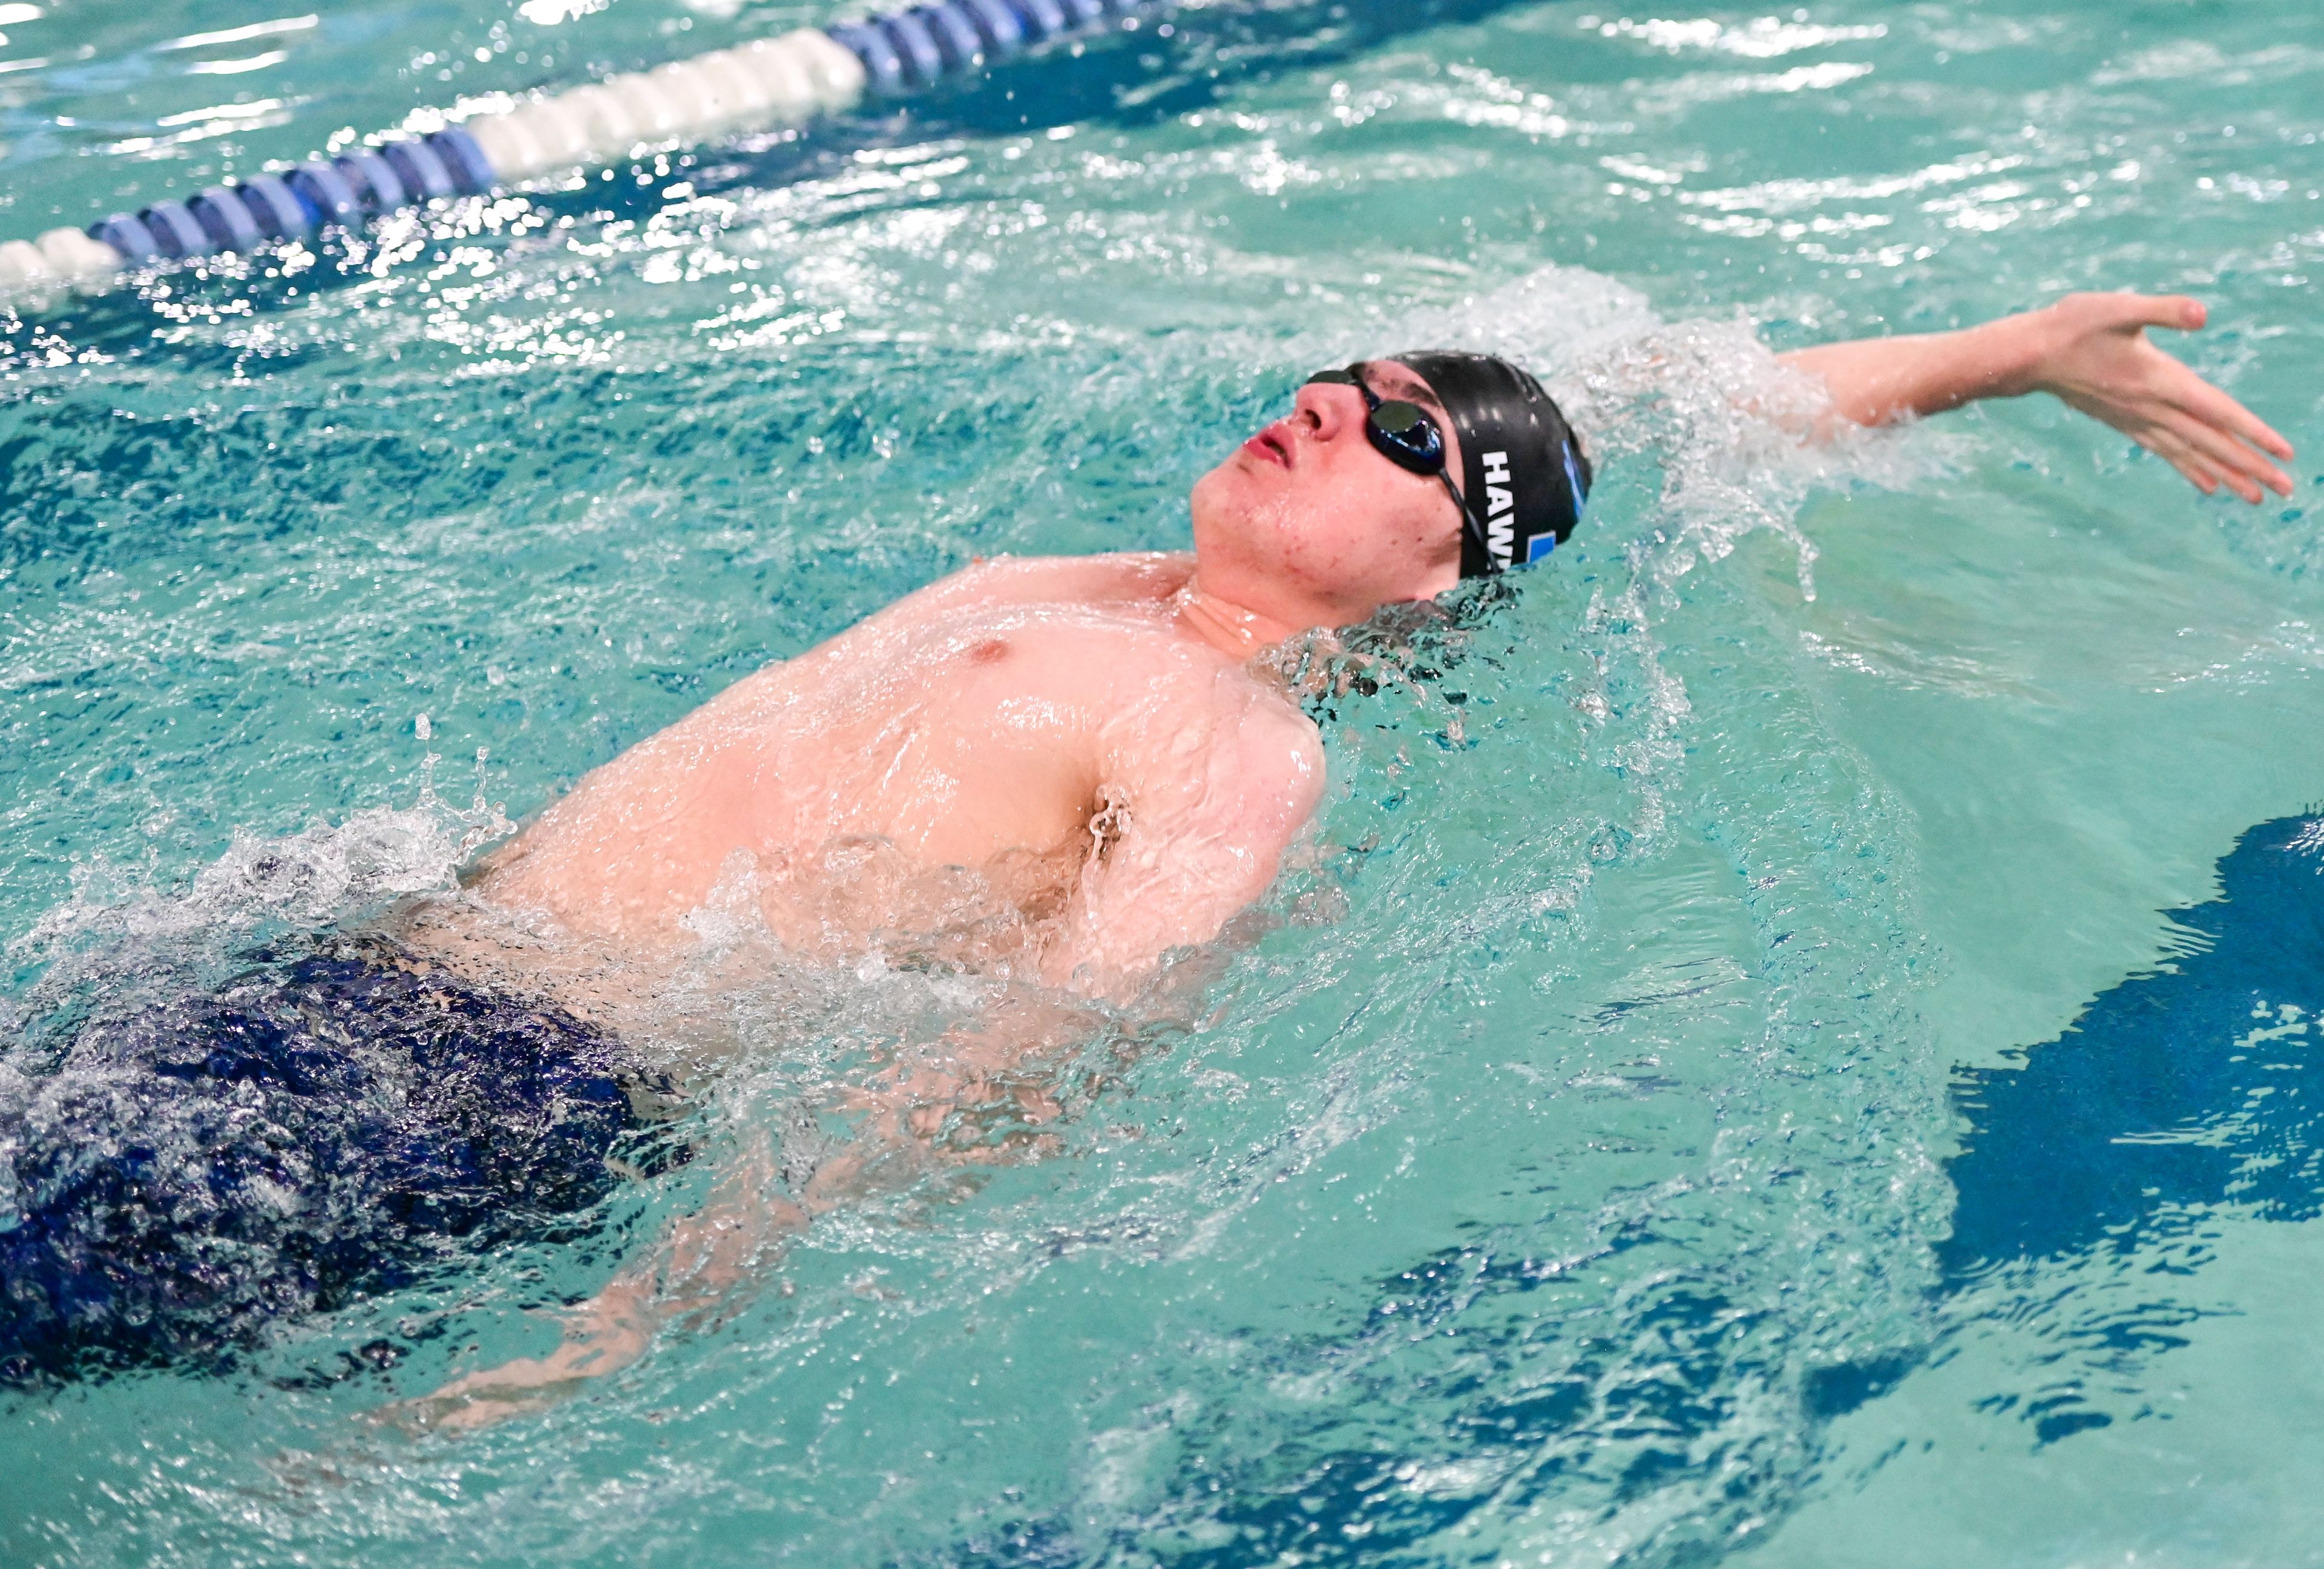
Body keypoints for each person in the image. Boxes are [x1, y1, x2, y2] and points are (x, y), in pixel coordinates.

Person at [0, 288, 2293, 1401]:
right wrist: (2001, 352)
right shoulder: (1081, 589)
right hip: (358, 984)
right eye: (1350, 373)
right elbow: (1678, 421)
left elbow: (1032, 1058)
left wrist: (639, 1313)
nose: (1336, 398)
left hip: (480, 1113)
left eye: (1399, 431)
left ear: (1430, 576)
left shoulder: (1235, 756)